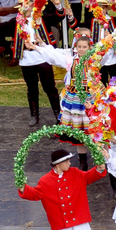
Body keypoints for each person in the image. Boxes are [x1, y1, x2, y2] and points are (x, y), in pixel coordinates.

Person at [18, 149, 110, 230]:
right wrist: (23, 188)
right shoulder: (45, 180)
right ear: (57, 164)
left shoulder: (75, 172)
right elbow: (35, 194)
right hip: (60, 219)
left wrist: (100, 169)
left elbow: (89, 176)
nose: (69, 163)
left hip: (78, 216)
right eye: (66, 161)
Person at [0, 0, 62, 126]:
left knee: (49, 87)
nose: (28, 8)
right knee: (31, 88)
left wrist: (58, 5)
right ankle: (34, 115)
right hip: (26, 58)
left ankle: (58, 115)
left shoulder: (42, 18)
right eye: (25, 6)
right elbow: (1, 29)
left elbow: (59, 17)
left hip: (42, 55)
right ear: (20, 8)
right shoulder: (17, 21)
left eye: (30, 5)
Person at [28, 34, 95, 168]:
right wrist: (37, 47)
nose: (81, 49)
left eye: (84, 47)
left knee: (95, 130)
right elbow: (53, 56)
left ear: (90, 48)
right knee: (79, 132)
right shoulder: (70, 60)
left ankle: (101, 158)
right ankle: (83, 161)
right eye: (79, 47)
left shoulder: (96, 60)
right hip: (75, 100)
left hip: (91, 98)